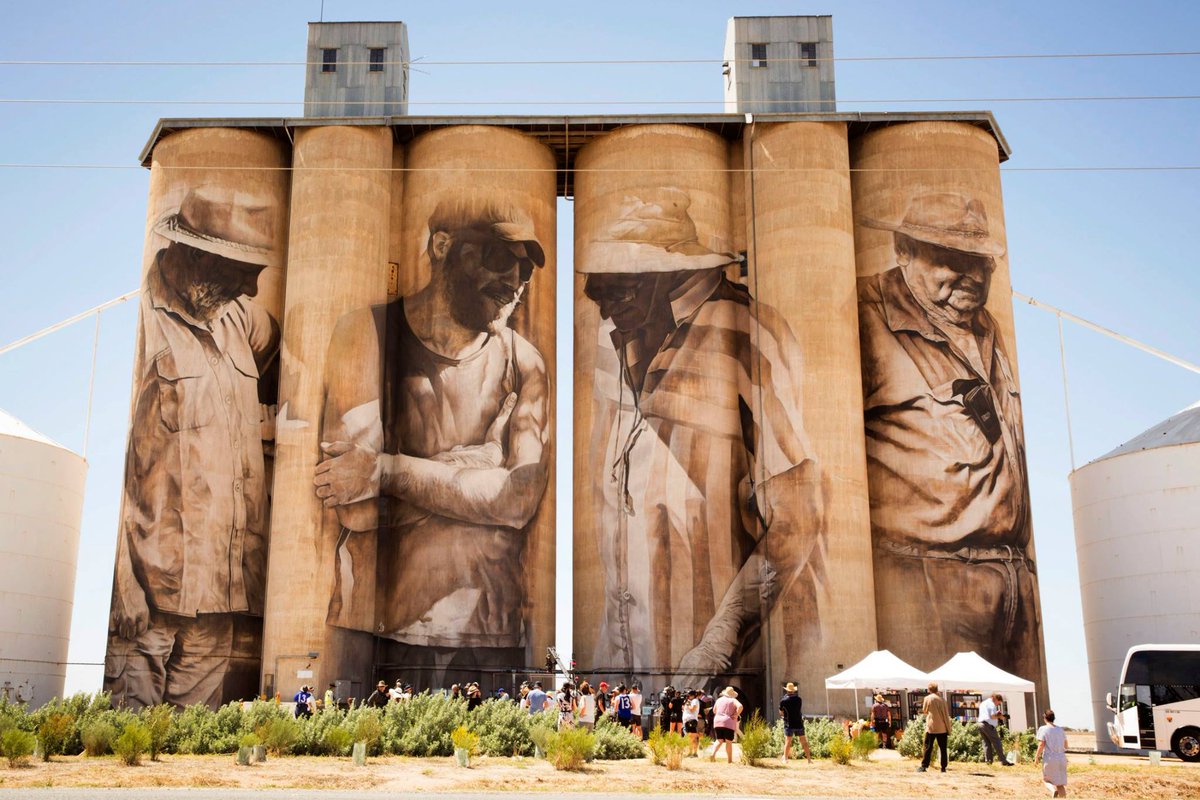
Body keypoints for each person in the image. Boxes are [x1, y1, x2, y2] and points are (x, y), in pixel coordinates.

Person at [578, 190, 825, 702]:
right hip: (624, 663)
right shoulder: (616, 348)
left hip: (719, 673)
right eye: (594, 287)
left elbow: (798, 517)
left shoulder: (748, 332)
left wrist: (719, 643)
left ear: (669, 277)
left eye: (616, 285)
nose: (598, 301)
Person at [315, 197, 551, 688]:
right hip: (379, 632)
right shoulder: (368, 334)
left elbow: (518, 500)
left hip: (493, 634)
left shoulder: (524, 361)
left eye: (525, 267)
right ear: (444, 246)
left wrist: (386, 471)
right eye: (500, 258)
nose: (516, 281)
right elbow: (355, 509)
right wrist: (482, 463)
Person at [858, 193, 1045, 693]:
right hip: (928, 582)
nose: (969, 275)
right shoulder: (864, 314)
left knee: (1016, 729)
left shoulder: (987, 327)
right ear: (903, 250)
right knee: (933, 709)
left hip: (1014, 580)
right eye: (948, 258)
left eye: (978, 262)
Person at [104, 186, 281, 710]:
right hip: (153, 597)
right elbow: (128, 466)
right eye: (241, 269)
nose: (252, 287)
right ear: (199, 255)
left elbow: (286, 345)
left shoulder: (236, 319)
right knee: (127, 737)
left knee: (191, 744)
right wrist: (124, 585)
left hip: (224, 594)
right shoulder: (146, 322)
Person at [918, 682, 952, 773]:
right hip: (942, 728)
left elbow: (925, 711)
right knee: (943, 748)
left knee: (928, 747)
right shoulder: (942, 700)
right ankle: (943, 767)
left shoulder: (927, 698)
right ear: (937, 689)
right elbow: (946, 714)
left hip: (931, 727)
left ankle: (924, 766)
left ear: (929, 690)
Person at [1035, 709, 1067, 797]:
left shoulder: (1043, 729)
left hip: (1050, 758)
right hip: (1061, 758)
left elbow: (1041, 744)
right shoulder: (1060, 730)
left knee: (1046, 780)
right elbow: (1066, 745)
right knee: (1060, 784)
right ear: (1053, 718)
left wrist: (1036, 757)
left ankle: (1053, 791)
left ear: (1045, 718)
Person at [707, 686, 743, 763]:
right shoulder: (733, 700)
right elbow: (740, 706)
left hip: (717, 721)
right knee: (728, 741)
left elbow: (714, 711)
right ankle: (729, 760)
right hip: (728, 722)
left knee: (719, 740)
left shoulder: (718, 700)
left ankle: (713, 754)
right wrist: (736, 714)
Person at [779, 682, 812, 763]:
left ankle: (785, 759)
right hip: (799, 723)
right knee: (804, 741)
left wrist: (783, 716)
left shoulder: (783, 701)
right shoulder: (799, 700)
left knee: (788, 742)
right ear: (793, 691)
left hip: (789, 723)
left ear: (787, 691)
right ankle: (809, 760)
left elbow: (781, 712)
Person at [978, 692, 1012, 766]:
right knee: (997, 742)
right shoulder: (992, 704)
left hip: (981, 724)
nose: (997, 704)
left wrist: (997, 714)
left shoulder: (983, 703)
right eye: (998, 703)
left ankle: (988, 761)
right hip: (988, 725)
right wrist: (1000, 716)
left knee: (986, 743)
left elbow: (987, 714)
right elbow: (992, 716)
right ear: (996, 699)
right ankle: (1003, 761)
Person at [682, 689, 702, 756]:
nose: (688, 696)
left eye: (689, 695)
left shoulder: (695, 701)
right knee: (690, 737)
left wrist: (688, 704)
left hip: (691, 720)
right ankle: (690, 752)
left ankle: (694, 752)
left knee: (692, 737)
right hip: (687, 720)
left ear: (693, 695)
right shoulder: (691, 701)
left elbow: (693, 709)